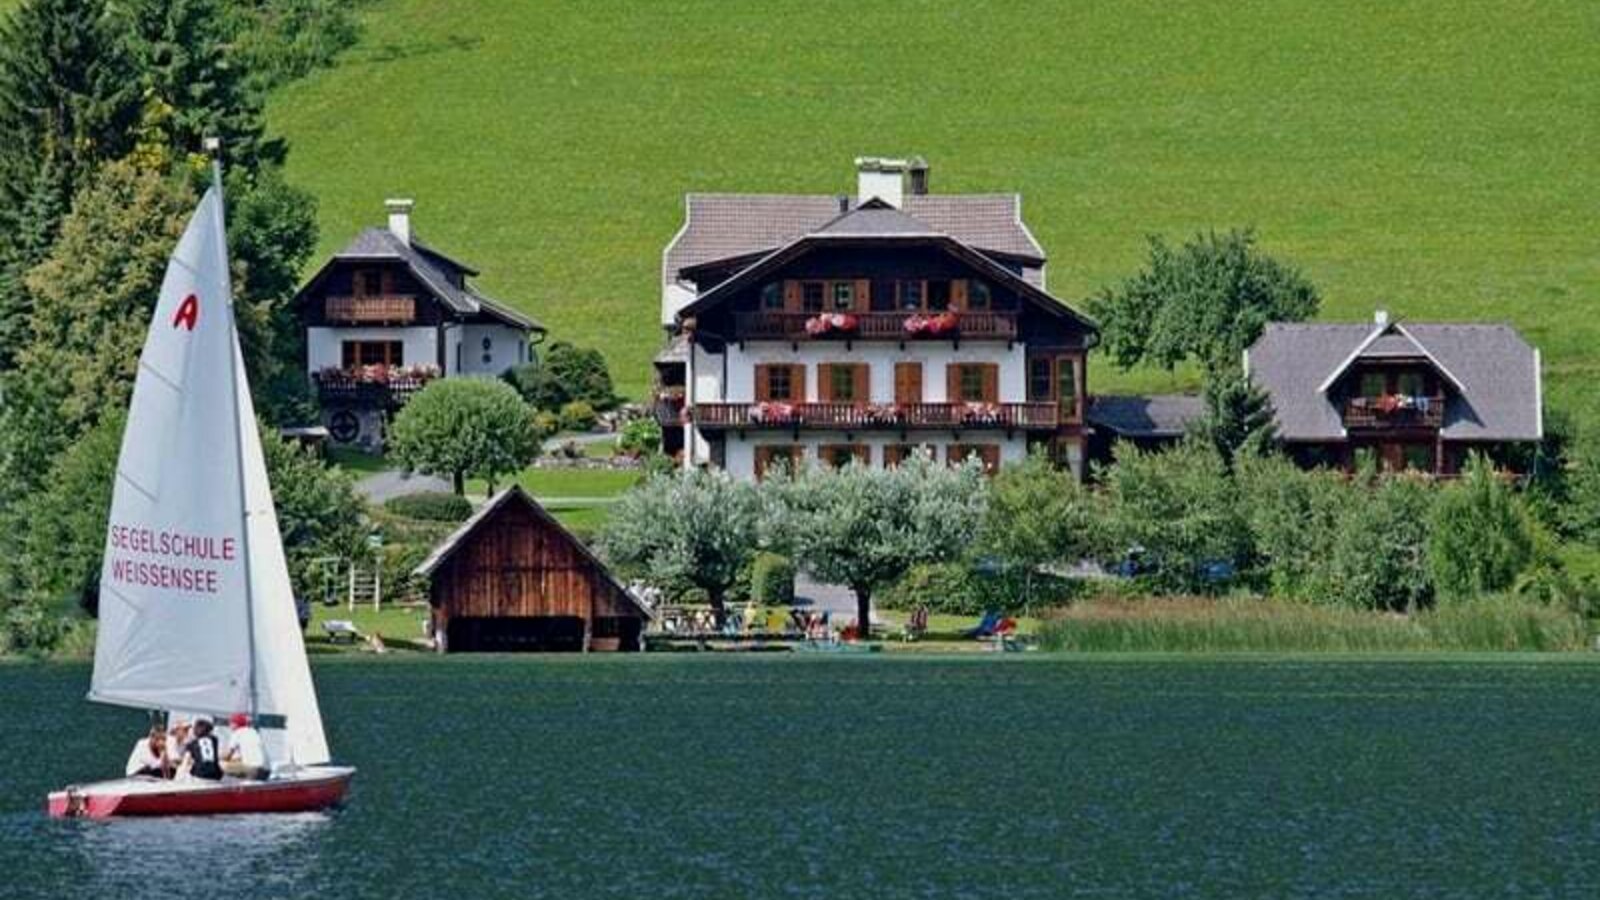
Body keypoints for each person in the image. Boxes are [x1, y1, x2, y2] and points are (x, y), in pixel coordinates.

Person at [221, 712, 268, 780]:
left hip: (253, 771)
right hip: (266, 771)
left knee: (221, 765)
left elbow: (228, 756)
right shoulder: (254, 732)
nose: (229, 726)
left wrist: (217, 758)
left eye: (230, 723)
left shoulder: (237, 733)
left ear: (235, 724)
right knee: (237, 764)